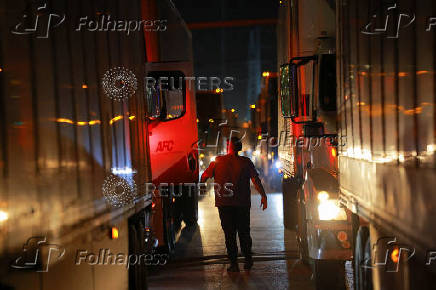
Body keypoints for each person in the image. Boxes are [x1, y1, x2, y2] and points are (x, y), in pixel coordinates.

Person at [200, 137, 267, 272]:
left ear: (228, 146)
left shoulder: (218, 161)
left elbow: (204, 176)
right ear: (239, 147)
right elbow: (255, 180)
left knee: (229, 234)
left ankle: (234, 264)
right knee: (244, 232)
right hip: (242, 204)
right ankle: (248, 260)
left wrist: (202, 186)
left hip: (224, 204)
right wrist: (263, 196)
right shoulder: (246, 162)